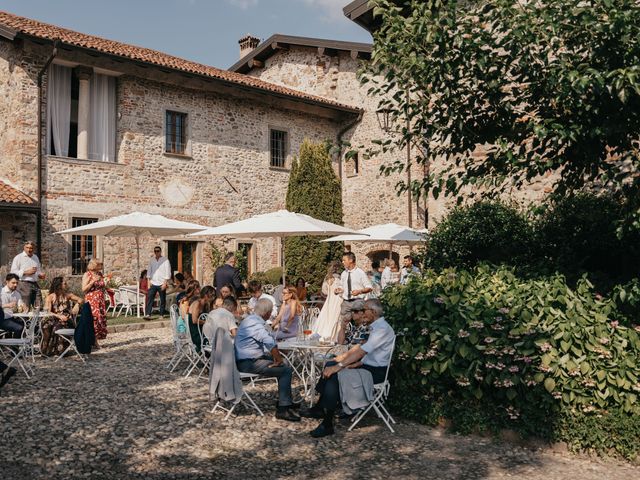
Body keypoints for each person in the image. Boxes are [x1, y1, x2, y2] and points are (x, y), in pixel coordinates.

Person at [301, 298, 395, 437]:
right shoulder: (376, 327)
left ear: (373, 312)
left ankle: (327, 423)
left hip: (375, 373)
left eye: (364, 310)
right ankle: (321, 407)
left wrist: (339, 366)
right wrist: (342, 363)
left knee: (335, 375)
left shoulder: (382, 329)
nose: (362, 313)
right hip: (367, 367)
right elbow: (365, 352)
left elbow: (361, 351)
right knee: (330, 365)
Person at [235, 298, 300, 422]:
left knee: (285, 363)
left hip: (248, 358)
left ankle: (285, 399)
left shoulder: (249, 319)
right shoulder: (255, 323)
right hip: (248, 363)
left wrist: (278, 359)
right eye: (270, 312)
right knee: (284, 370)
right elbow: (270, 342)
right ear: (267, 313)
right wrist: (278, 360)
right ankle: (283, 409)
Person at [42, 276, 83, 356]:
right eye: (64, 283)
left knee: (59, 325)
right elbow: (48, 312)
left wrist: (77, 304)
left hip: (66, 319)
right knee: (46, 325)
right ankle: (47, 349)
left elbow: (81, 299)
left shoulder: (68, 295)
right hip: (54, 318)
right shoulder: (51, 297)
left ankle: (59, 350)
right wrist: (58, 316)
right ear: (59, 285)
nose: (66, 284)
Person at [336, 252, 372, 324]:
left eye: (344, 260)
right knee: (343, 325)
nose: (342, 262)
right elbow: (341, 286)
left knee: (360, 323)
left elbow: (369, 288)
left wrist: (359, 291)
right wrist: (339, 289)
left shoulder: (360, 273)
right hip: (346, 303)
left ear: (351, 260)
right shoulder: (343, 273)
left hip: (358, 302)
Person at [313, 261, 343, 341]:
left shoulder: (327, 278)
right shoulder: (339, 277)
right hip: (338, 299)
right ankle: (334, 335)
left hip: (329, 300)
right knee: (336, 317)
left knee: (327, 317)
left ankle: (324, 334)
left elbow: (324, 291)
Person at [10, 240, 45, 308]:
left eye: (31, 248)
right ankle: (23, 319)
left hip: (35, 284)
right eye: (27, 247)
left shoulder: (35, 257)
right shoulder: (18, 257)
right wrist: (25, 272)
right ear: (24, 248)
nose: (29, 250)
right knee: (25, 307)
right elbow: (13, 273)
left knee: (39, 306)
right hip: (23, 284)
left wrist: (40, 275)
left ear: (34, 248)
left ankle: (36, 318)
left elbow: (38, 271)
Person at [82, 259, 107, 346]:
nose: (101, 266)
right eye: (99, 264)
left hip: (100, 299)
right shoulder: (87, 274)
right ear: (94, 265)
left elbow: (102, 286)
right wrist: (92, 281)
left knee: (100, 319)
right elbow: (84, 289)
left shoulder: (100, 274)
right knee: (94, 320)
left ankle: (95, 340)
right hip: (92, 299)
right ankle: (92, 341)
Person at [145, 246, 171, 319]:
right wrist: (148, 282)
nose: (156, 252)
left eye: (158, 251)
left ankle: (161, 314)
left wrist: (165, 283)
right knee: (150, 299)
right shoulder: (151, 260)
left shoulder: (165, 260)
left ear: (160, 251)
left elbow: (168, 272)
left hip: (161, 283)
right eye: (155, 251)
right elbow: (149, 271)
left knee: (162, 299)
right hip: (153, 282)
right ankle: (148, 314)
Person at [188, 285, 215, 350]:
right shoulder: (197, 303)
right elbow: (194, 320)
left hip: (202, 331)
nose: (213, 297)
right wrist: (206, 322)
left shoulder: (205, 304)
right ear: (206, 295)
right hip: (196, 333)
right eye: (212, 295)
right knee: (213, 342)